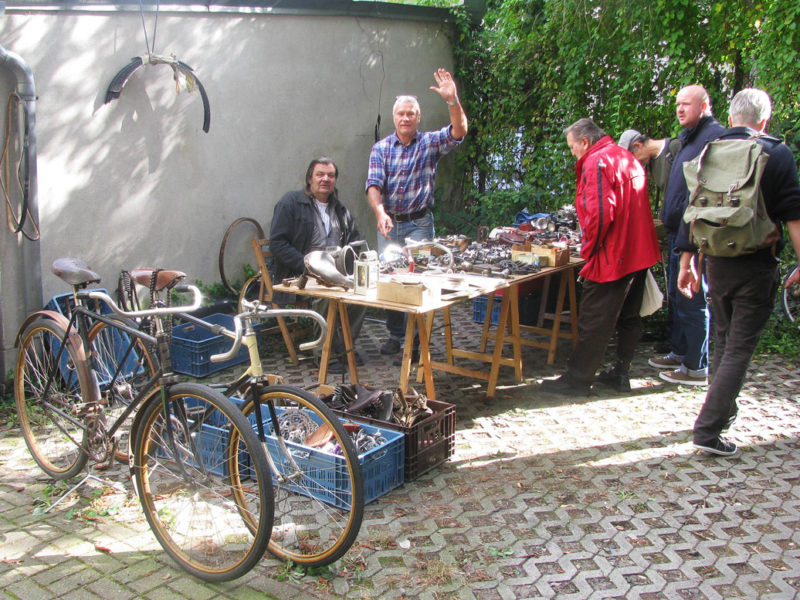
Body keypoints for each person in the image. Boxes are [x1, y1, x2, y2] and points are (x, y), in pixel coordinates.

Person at [676, 88, 800, 456]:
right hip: (755, 264)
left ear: (730, 119)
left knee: (724, 342)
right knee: (738, 348)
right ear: (764, 122)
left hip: (715, 261)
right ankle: (708, 429)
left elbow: (691, 209)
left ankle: (720, 416)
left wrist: (686, 263)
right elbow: (793, 213)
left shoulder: (707, 152)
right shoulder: (775, 153)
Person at [540, 118, 661, 395]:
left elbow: (602, 213)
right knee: (630, 314)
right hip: (639, 251)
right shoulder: (626, 156)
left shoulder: (597, 161)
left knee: (594, 317)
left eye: (572, 147)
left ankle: (578, 380)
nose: (572, 152)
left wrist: (589, 249)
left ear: (585, 142)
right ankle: (620, 371)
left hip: (614, 254)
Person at [366, 68, 468, 362]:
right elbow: (373, 185)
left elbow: (459, 131)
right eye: (401, 113)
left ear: (418, 118)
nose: (406, 118)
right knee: (390, 280)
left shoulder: (429, 143)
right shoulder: (381, 148)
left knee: (420, 280)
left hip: (421, 223)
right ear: (394, 117)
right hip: (390, 224)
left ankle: (414, 342)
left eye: (411, 113)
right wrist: (379, 212)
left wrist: (453, 101)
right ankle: (395, 336)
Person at [648, 85, 726, 386]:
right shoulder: (688, 138)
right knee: (679, 299)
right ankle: (680, 354)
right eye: (678, 104)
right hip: (678, 234)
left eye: (687, 104)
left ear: (704, 105)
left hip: (697, 236)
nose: (680, 109)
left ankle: (696, 366)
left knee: (693, 298)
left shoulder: (712, 138)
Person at [269, 157, 366, 374]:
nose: (325, 179)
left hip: (335, 272)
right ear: (309, 179)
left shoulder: (340, 210)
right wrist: (307, 266)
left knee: (362, 294)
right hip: (300, 274)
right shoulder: (291, 202)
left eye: (330, 175)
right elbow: (277, 243)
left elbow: (355, 242)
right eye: (320, 174)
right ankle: (324, 353)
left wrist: (348, 265)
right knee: (325, 294)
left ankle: (343, 349)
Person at [617, 129, 682, 212]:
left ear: (638, 145)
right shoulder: (651, 162)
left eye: (632, 158)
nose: (635, 162)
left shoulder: (675, 147)